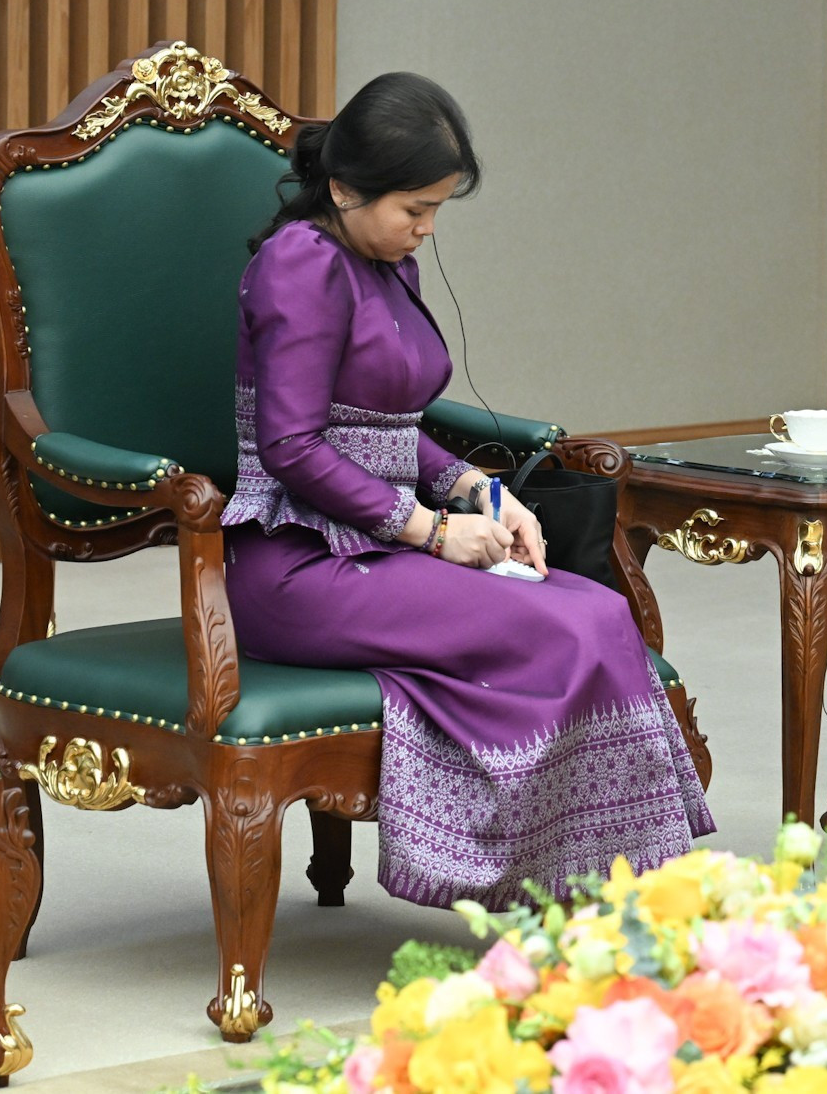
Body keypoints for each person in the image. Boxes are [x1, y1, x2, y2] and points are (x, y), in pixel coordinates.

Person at [222, 72, 714, 909]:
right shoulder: (301, 265)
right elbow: (293, 444)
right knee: (567, 627)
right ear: (343, 188)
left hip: (370, 550)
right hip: (299, 567)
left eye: (437, 210)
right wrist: (427, 528)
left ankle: (603, 887)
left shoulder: (379, 259)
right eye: (414, 209)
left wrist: (477, 487)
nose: (425, 229)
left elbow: (380, 422)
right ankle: (556, 889)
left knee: (597, 612)